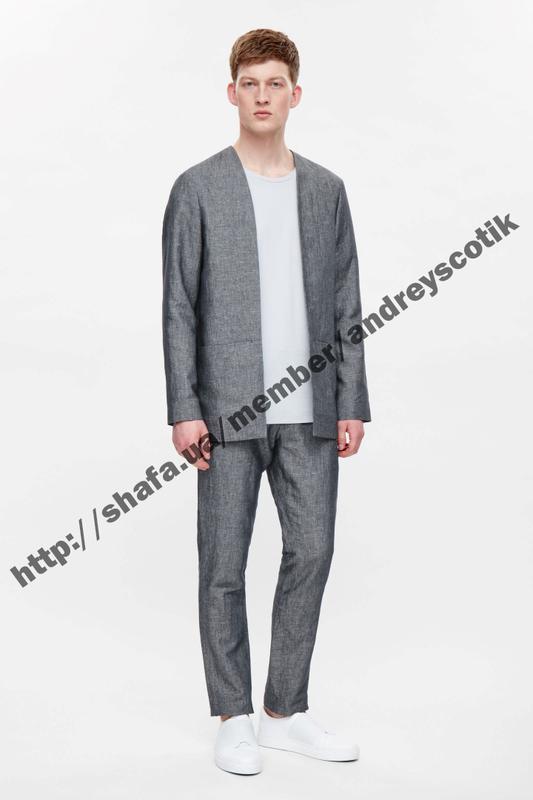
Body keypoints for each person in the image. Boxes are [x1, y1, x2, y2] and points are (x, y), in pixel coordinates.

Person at [162, 27, 371, 775]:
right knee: (223, 563)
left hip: (311, 407)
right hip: (226, 411)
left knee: (311, 550)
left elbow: (346, 301)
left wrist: (351, 399)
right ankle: (233, 715)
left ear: (294, 94)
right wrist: (184, 407)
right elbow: (178, 305)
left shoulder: (325, 190)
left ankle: (285, 710)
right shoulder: (198, 187)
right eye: (249, 83)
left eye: (274, 83)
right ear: (231, 93)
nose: (261, 96)